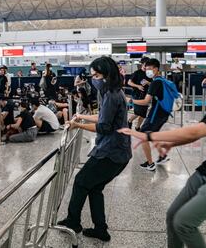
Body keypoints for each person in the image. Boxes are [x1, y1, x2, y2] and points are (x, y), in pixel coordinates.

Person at [119, 55, 206, 248]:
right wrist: (171, 144)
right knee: (172, 215)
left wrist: (148, 136)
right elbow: (198, 131)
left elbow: (194, 131)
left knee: (184, 223)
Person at [57, 56, 132, 242]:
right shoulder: (112, 92)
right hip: (119, 152)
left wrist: (78, 125)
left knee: (81, 181)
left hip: (110, 152)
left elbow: (104, 127)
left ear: (108, 74)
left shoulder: (111, 95)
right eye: (92, 75)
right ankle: (101, 229)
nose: (94, 78)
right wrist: (82, 116)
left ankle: (73, 222)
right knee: (95, 188)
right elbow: (103, 117)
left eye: (97, 74)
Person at [130, 58, 171, 171]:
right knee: (152, 135)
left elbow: (145, 101)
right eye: (146, 69)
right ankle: (162, 156)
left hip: (156, 114)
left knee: (143, 136)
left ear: (156, 69)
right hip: (164, 113)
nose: (147, 71)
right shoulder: (162, 80)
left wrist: (130, 101)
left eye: (149, 69)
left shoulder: (155, 83)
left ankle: (150, 164)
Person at [127, 57, 151, 131]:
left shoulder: (149, 74)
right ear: (142, 64)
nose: (146, 67)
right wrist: (138, 86)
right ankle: (129, 121)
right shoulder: (137, 73)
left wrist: (148, 82)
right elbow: (129, 82)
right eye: (145, 65)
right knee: (137, 112)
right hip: (137, 95)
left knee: (143, 114)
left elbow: (153, 84)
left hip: (146, 96)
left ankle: (137, 127)